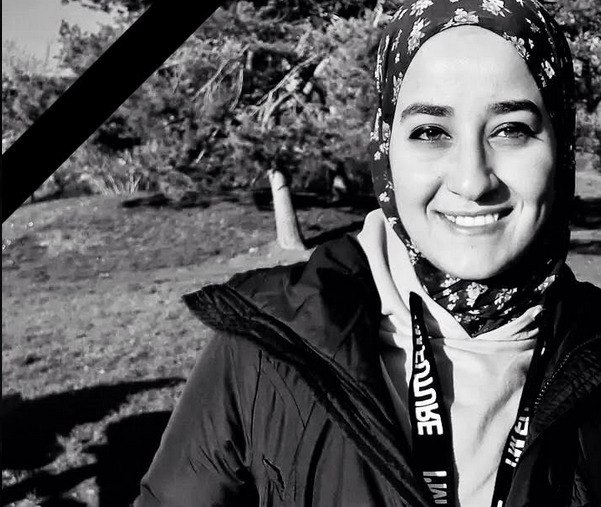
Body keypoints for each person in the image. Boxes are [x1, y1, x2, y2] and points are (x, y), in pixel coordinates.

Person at [135, 1, 601, 505]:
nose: (472, 181)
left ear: (561, 143)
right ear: (385, 147)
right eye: (430, 132)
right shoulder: (264, 347)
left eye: (511, 129)